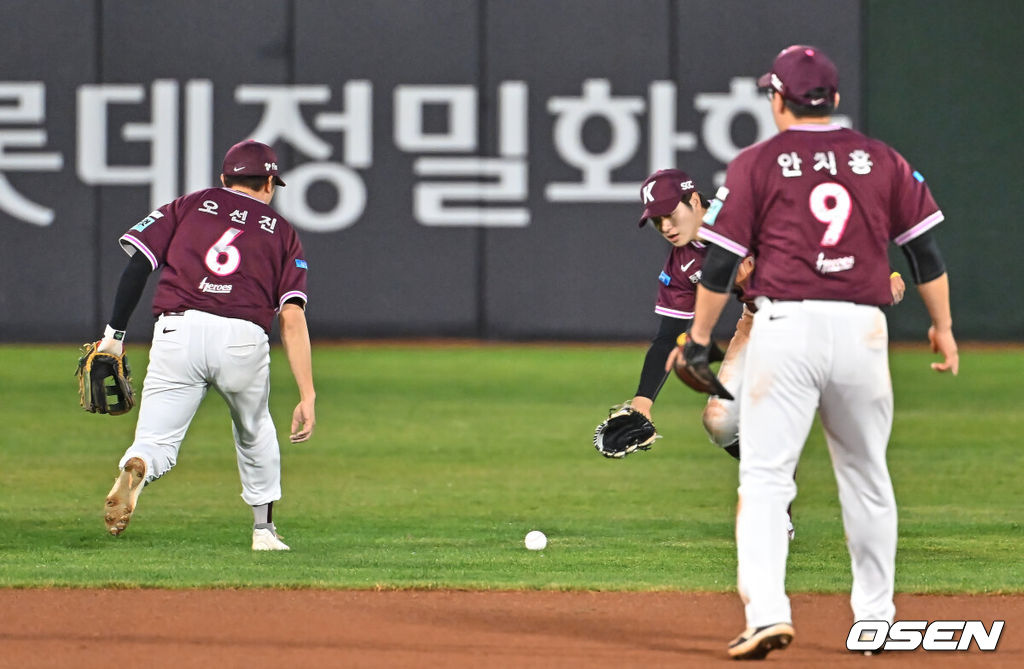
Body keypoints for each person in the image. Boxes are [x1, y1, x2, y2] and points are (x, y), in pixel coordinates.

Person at [683, 45, 958, 659]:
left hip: (786, 327)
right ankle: (877, 620)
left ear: (779, 99)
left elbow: (723, 263)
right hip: (862, 330)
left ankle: (768, 614)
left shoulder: (757, 163)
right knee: (867, 478)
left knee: (765, 477)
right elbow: (925, 254)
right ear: (832, 99)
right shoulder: (881, 159)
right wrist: (941, 325)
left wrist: (700, 340)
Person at [97, 139, 316, 551]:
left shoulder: (189, 205)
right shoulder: (283, 232)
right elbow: (291, 316)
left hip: (178, 330)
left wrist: (114, 336)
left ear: (223, 178)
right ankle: (263, 531)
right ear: (270, 182)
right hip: (242, 339)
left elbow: (138, 264)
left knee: (156, 439)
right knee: (254, 432)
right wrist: (307, 393)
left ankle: (138, 463)